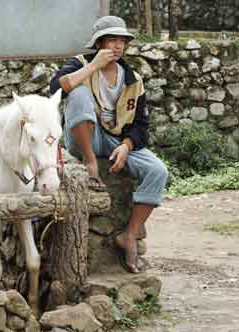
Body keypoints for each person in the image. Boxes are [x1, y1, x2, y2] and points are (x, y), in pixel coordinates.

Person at [50, 16, 168, 273]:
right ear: (99, 43)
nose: (117, 46)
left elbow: (141, 125)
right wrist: (93, 66)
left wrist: (126, 145)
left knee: (158, 171)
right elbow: (56, 89)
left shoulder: (133, 78)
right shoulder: (79, 64)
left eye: (121, 41)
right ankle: (91, 162)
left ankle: (129, 235)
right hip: (83, 138)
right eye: (111, 40)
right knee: (77, 92)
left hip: (117, 141)